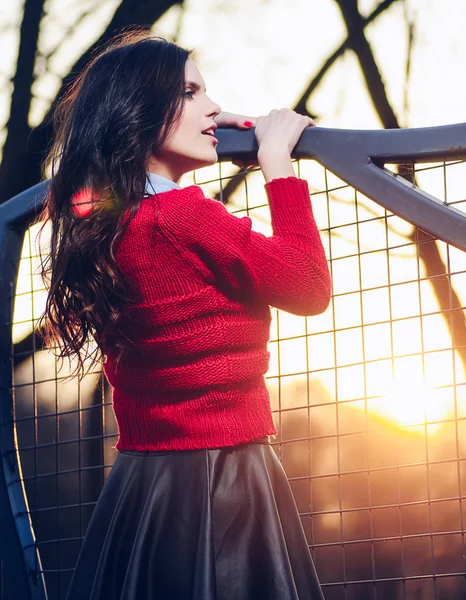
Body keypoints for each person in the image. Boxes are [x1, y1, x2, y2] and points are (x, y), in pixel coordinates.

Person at [35, 28, 330, 600]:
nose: (213, 106)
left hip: (143, 485)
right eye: (192, 92)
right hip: (226, 476)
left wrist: (216, 128)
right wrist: (277, 165)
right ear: (143, 112)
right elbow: (308, 286)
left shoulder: (109, 224)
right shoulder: (185, 218)